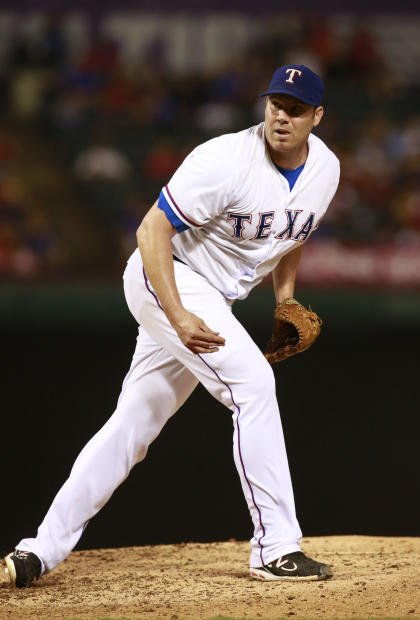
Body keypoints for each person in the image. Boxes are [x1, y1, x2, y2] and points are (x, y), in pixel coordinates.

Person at [4, 64, 340, 588]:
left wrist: (286, 299)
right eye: (275, 103)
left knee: (133, 425)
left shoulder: (326, 170)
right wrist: (179, 313)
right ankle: (276, 548)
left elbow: (291, 231)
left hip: (211, 298)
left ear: (316, 117)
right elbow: (150, 228)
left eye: (295, 109)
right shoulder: (225, 159)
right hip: (166, 279)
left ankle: (36, 552)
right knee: (253, 385)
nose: (281, 115)